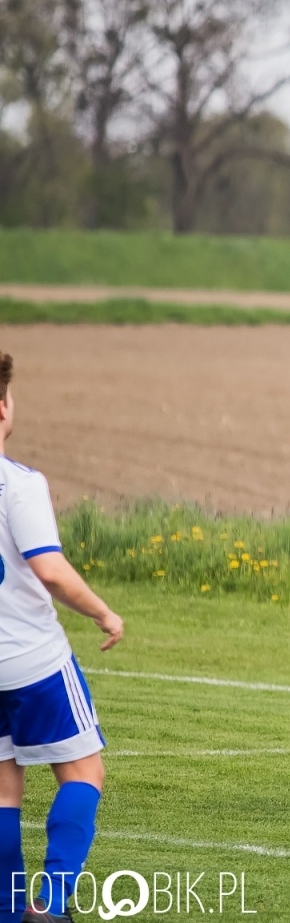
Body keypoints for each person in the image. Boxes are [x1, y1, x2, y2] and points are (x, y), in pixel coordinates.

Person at [0, 349, 124, 923]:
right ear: (3, 409)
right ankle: (48, 905)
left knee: (3, 792)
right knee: (84, 771)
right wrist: (103, 612)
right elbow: (49, 570)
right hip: (32, 662)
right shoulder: (17, 485)